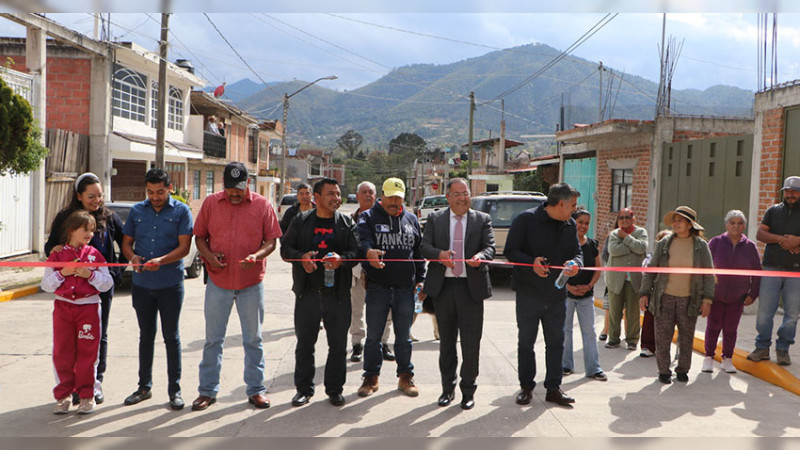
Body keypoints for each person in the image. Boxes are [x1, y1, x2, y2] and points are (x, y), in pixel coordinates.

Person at [191, 162, 282, 411]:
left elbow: (272, 241)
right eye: (230, 188)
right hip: (218, 283)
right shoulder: (210, 203)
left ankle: (256, 390)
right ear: (224, 184)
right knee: (213, 340)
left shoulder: (262, 205)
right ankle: (207, 391)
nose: (234, 193)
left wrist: (256, 256)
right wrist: (209, 256)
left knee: (253, 339)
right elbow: (199, 236)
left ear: (248, 184)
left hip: (251, 283)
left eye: (239, 189)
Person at [45, 172, 125, 405]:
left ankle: (94, 384)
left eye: (100, 195)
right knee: (67, 344)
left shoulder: (109, 218)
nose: (97, 200)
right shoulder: (65, 218)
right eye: (91, 196)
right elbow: (50, 247)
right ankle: (70, 388)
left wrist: (115, 273)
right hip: (68, 295)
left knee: (97, 338)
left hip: (98, 291)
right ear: (79, 196)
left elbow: (126, 243)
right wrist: (59, 254)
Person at [281, 178, 360, 407]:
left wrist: (341, 260)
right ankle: (304, 389)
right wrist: (301, 258)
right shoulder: (301, 221)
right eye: (330, 194)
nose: (336, 198)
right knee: (305, 344)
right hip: (308, 293)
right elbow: (285, 249)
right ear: (316, 198)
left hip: (338, 294)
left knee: (337, 345)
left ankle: (335, 389)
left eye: (338, 193)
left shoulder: (346, 222)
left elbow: (356, 251)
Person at [420, 178, 495, 410]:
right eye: (457, 194)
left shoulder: (482, 219)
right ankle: (447, 389)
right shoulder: (435, 219)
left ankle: (468, 391)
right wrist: (440, 255)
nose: (463, 198)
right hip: (444, 289)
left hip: (471, 289)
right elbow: (423, 247)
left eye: (466, 193)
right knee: (447, 344)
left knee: (471, 344)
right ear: (448, 197)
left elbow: (490, 247)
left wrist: (481, 257)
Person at [121, 169, 193, 410]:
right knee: (146, 336)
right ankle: (144, 387)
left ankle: (175, 390)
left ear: (169, 188)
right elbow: (126, 243)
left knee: (171, 337)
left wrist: (161, 260)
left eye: (160, 192)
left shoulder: (182, 211)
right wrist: (133, 258)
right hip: (142, 286)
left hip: (170, 284)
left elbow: (184, 248)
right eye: (150, 192)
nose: (155, 197)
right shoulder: (136, 211)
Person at [505, 183, 582, 406]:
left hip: (557, 294)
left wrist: (575, 264)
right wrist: (532, 263)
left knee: (556, 342)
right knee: (526, 342)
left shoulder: (569, 224)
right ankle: (527, 387)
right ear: (560, 204)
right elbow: (511, 251)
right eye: (572, 206)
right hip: (529, 293)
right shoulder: (526, 220)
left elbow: (577, 253)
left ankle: (553, 388)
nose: (574, 211)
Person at [355, 177, 426, 398]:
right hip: (378, 287)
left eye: (399, 197)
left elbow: (418, 252)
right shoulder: (368, 217)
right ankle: (370, 378)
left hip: (406, 289)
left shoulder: (411, 219)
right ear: (381, 197)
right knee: (374, 337)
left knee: (403, 337)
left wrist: (421, 278)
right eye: (390, 197)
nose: (395, 201)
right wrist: (369, 253)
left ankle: (405, 378)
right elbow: (360, 240)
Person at [42, 210, 114, 415]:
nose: (90, 234)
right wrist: (62, 273)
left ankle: (86, 395)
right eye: (85, 229)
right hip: (63, 309)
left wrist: (89, 275)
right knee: (62, 353)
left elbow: (107, 283)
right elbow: (46, 285)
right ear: (72, 230)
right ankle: (64, 396)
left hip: (88, 309)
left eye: (92, 230)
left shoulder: (95, 255)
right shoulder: (57, 255)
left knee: (88, 354)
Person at [639, 206, 714, 384]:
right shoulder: (664, 243)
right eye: (675, 220)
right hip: (664, 297)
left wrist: (707, 299)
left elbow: (709, 274)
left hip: (689, 299)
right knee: (662, 336)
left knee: (686, 337)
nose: (676, 223)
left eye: (680, 220)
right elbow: (651, 271)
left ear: (690, 224)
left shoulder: (700, 246)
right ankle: (663, 371)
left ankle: (682, 370)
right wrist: (644, 293)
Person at [748, 176, 800, 366]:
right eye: (787, 191)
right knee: (764, 312)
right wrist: (782, 240)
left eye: (794, 191)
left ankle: (783, 349)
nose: (790, 194)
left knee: (792, 314)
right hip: (771, 267)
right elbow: (760, 234)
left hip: (796, 272)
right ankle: (762, 348)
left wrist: (797, 240)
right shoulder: (773, 211)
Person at [704, 210, 761, 373]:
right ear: (726, 225)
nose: (736, 226)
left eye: (740, 223)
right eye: (732, 223)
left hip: (738, 297)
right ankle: (708, 357)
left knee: (730, 329)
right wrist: (705, 294)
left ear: (744, 226)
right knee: (713, 326)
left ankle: (727, 359)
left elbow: (757, 272)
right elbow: (706, 268)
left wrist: (753, 294)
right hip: (715, 295)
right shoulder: (715, 243)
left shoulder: (750, 247)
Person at [349, 181, 395, 364]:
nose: (368, 195)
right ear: (357, 196)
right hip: (357, 273)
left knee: (385, 312)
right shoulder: (350, 220)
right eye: (364, 192)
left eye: (371, 192)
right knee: (356, 311)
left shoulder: (385, 218)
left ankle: (383, 344)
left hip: (381, 273)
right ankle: (357, 345)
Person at [561, 209, 606, 381]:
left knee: (589, 332)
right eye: (580, 222)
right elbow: (560, 270)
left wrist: (589, 286)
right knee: (565, 331)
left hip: (586, 297)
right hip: (567, 296)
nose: (583, 226)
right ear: (573, 223)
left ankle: (593, 368)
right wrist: (569, 288)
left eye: (587, 223)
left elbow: (597, 269)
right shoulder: (565, 245)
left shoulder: (592, 245)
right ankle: (566, 365)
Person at [605, 208, 648, 351]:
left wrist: (626, 238)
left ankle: (632, 340)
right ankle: (613, 338)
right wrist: (631, 246)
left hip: (634, 279)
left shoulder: (641, 232)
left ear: (633, 218)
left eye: (627, 217)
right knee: (615, 310)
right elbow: (613, 250)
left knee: (633, 311)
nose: (624, 220)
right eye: (621, 218)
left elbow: (641, 248)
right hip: (616, 279)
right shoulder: (614, 234)